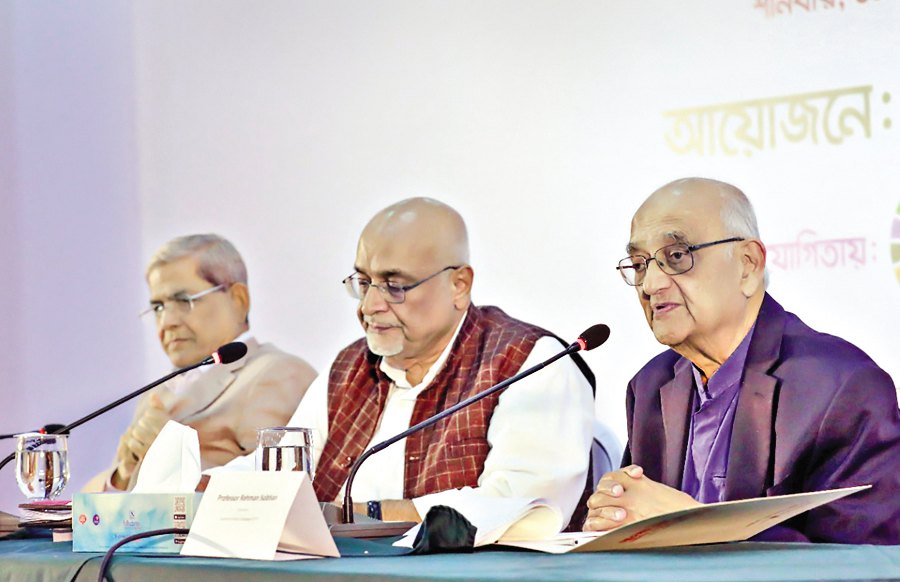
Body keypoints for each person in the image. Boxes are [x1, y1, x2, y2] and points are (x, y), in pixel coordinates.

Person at [211, 198, 596, 528]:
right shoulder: (349, 366)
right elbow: (278, 474)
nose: (368, 307)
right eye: (364, 283)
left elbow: (521, 509)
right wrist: (192, 491)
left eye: (395, 286)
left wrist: (357, 517)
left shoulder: (528, 361)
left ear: (459, 285)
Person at [583, 178, 900, 543]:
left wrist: (690, 528)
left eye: (676, 256)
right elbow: (639, 523)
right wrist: (616, 515)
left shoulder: (842, 387)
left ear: (748, 265)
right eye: (639, 264)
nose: (651, 284)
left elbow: (862, 560)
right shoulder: (651, 385)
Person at [83, 234, 317, 491]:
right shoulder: (156, 394)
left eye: (184, 301)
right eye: (159, 307)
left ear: (238, 300)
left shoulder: (277, 373)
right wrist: (123, 473)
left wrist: (171, 461)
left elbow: (273, 492)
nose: (167, 322)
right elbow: (90, 507)